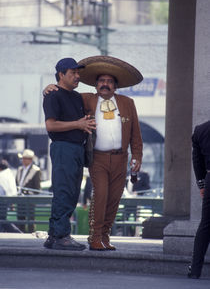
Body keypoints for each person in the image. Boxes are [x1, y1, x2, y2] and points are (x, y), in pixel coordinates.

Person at [44, 55, 143, 251]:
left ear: (116, 86)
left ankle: (103, 235)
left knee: (112, 198)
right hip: (95, 157)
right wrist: (47, 87)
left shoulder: (126, 103)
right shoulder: (85, 98)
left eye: (109, 82)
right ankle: (91, 236)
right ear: (96, 85)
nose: (105, 85)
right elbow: (57, 101)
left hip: (119, 157)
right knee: (98, 196)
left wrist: (137, 156)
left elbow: (135, 134)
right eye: (101, 81)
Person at [43, 57, 96, 251]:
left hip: (76, 148)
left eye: (78, 72)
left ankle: (53, 235)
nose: (77, 76)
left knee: (72, 192)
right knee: (64, 191)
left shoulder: (76, 97)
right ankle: (61, 235)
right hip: (63, 147)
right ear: (61, 75)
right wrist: (78, 124)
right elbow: (50, 125)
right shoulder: (53, 95)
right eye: (73, 73)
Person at [188, 120, 210, 279]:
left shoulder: (200, 130)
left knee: (206, 224)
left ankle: (195, 270)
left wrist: (202, 184)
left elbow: (197, 161)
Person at [16, 149, 41, 233]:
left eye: (24, 158)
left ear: (30, 160)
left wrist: (29, 193)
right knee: (20, 219)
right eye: (22, 158)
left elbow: (37, 188)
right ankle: (20, 235)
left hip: (30, 199)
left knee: (30, 219)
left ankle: (31, 235)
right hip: (20, 198)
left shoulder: (36, 170)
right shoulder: (19, 169)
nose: (23, 160)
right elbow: (16, 183)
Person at [0, 159, 22, 233]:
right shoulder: (9, 174)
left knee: (2, 219)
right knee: (2, 219)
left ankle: (17, 232)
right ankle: (17, 232)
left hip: (2, 201)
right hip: (8, 201)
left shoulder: (2, 175)